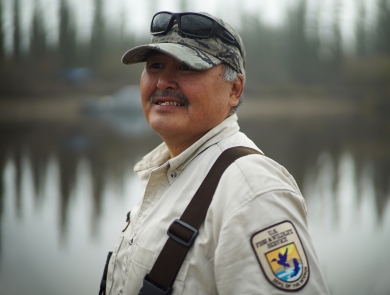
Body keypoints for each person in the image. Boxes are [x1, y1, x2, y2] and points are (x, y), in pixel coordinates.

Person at [103, 11, 330, 295]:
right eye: (155, 65)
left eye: (187, 67)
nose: (163, 82)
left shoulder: (252, 192)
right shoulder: (171, 172)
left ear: (235, 89)